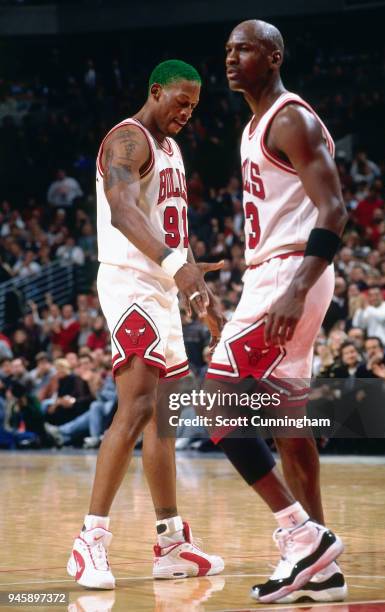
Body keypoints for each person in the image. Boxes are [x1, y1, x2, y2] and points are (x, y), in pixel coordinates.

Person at [202, 20, 347, 604]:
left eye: (245, 49)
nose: (233, 59)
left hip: (291, 275)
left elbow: (333, 208)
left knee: (215, 402)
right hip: (272, 274)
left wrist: (294, 288)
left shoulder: (290, 117)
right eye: (229, 50)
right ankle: (324, 569)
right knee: (289, 428)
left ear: (274, 55)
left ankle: (300, 535)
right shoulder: (256, 125)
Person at [67, 60, 224, 590]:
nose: (186, 113)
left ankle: (171, 541)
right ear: (154, 90)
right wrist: (177, 267)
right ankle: (89, 539)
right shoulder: (127, 141)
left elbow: (168, 229)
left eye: (194, 106)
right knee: (134, 408)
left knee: (164, 419)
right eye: (180, 101)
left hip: (161, 287)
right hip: (131, 283)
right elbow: (121, 211)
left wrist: (195, 287)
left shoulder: (173, 150)